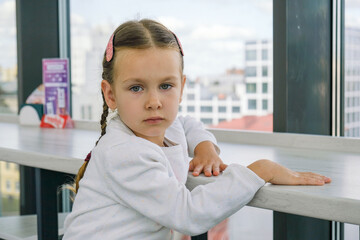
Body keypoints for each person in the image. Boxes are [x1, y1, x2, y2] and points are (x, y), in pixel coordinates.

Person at [63, 19, 331, 239]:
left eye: (166, 86)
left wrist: (205, 148)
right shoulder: (124, 152)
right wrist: (260, 170)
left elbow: (188, 125)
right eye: (136, 88)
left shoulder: (163, 128)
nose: (154, 102)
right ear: (110, 95)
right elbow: (189, 215)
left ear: (182, 87)